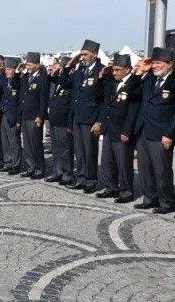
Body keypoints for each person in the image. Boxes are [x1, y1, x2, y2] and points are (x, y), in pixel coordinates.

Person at [133, 48, 175, 214]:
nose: (154, 66)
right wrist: (141, 69)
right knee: (144, 168)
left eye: (158, 63)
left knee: (162, 170)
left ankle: (167, 202)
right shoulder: (149, 79)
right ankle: (150, 198)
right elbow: (131, 87)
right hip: (144, 131)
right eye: (153, 63)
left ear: (169, 64)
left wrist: (170, 134)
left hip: (162, 134)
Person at [93, 54, 139, 203]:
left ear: (127, 69)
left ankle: (126, 191)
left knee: (123, 163)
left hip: (122, 130)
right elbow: (99, 96)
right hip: (109, 129)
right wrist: (101, 77)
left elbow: (133, 111)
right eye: (113, 69)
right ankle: (111, 187)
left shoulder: (134, 83)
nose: (114, 72)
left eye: (117, 70)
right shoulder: (112, 82)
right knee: (107, 161)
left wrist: (127, 131)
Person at [64, 40, 105, 191]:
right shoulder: (80, 70)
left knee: (90, 151)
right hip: (77, 117)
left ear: (95, 54)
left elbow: (103, 100)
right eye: (81, 55)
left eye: (86, 54)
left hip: (91, 118)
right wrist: (69, 65)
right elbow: (65, 83)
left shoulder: (101, 71)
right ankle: (81, 178)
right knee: (79, 151)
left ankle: (91, 180)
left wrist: (99, 121)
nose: (83, 58)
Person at [19, 52, 48, 179]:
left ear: (37, 64)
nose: (28, 67)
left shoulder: (42, 78)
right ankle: (30, 167)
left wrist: (40, 116)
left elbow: (44, 99)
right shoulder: (26, 77)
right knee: (27, 144)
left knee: (36, 144)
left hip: (35, 117)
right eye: (27, 64)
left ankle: (39, 169)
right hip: (25, 115)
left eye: (30, 65)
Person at [47, 57, 75, 185]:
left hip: (64, 121)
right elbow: (47, 80)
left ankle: (67, 174)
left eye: (61, 68)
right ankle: (57, 172)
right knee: (56, 149)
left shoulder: (71, 81)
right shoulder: (57, 80)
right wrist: (53, 73)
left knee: (65, 150)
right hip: (54, 120)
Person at [0, 57, 23, 174]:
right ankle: (8, 162)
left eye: (8, 69)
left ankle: (16, 164)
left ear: (14, 70)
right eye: (6, 69)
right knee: (5, 141)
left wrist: (18, 120)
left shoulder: (18, 81)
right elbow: (2, 95)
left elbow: (19, 101)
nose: (6, 71)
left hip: (13, 116)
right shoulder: (5, 80)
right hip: (4, 114)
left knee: (14, 142)